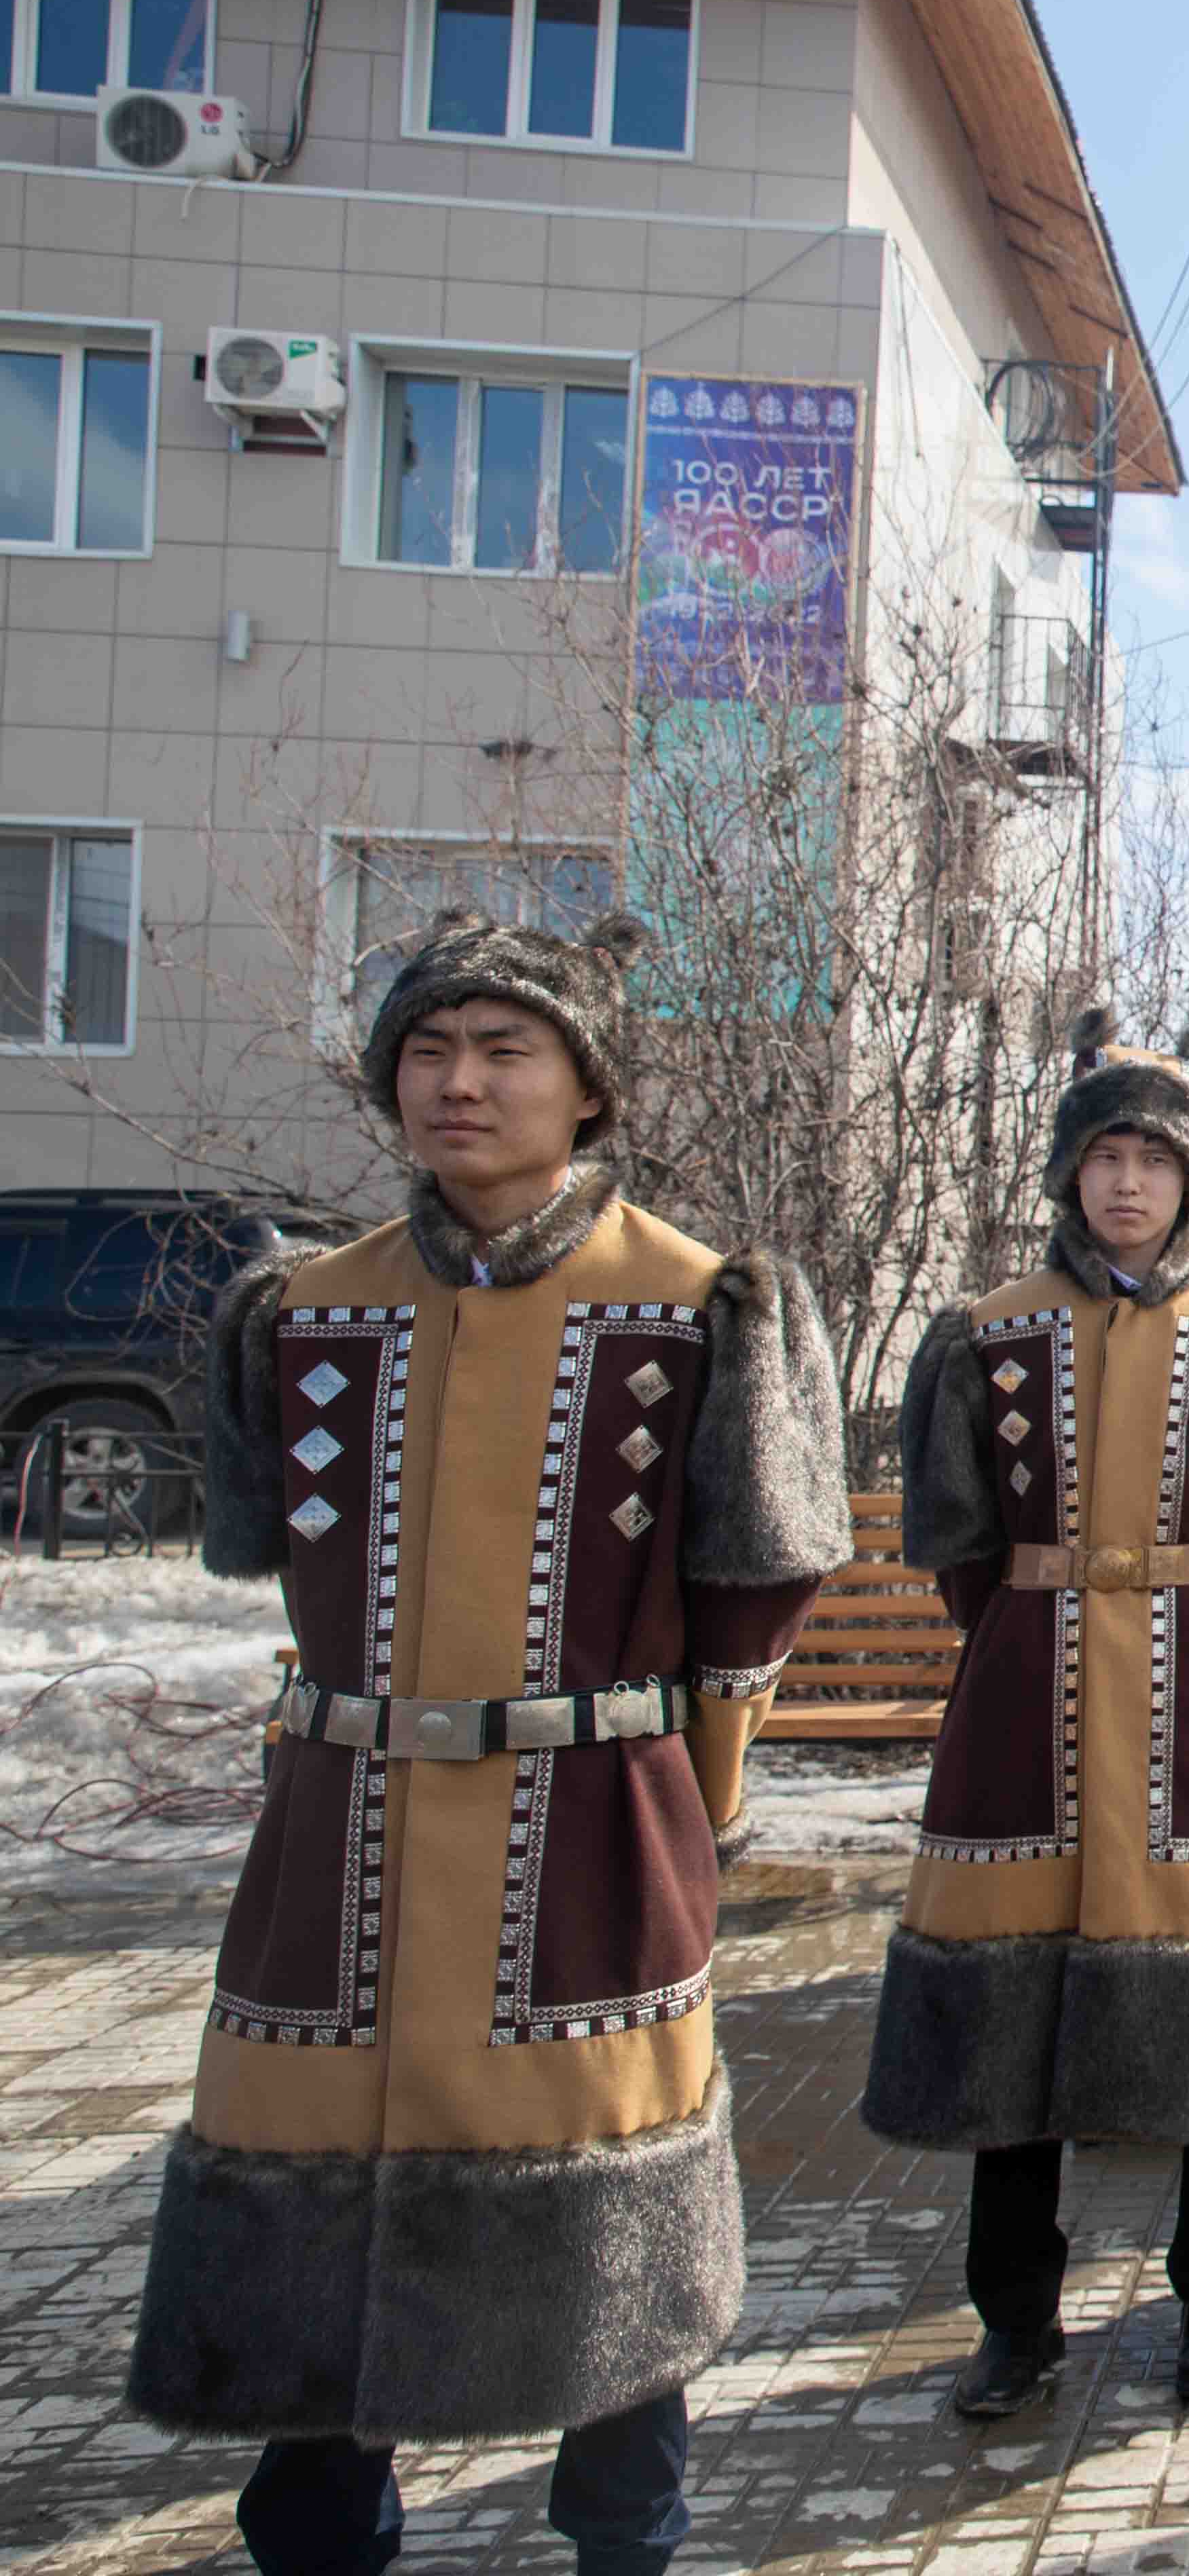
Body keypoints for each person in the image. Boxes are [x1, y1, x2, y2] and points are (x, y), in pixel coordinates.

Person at [130, 908, 852, 2575]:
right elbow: (273, 1567)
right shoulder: (304, 1311)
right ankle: (318, 2531)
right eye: (428, 1051)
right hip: (343, 1837)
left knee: (611, 2205)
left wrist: (697, 1812)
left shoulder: (700, 1310)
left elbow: (753, 1598)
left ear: (586, 1087)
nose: (459, 1083)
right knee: (307, 2185)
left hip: (594, 1823)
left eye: (504, 1049)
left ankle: (625, 2542)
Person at [859, 1011, 1189, 2419]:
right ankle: (1015, 2318)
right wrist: (1038, 1627)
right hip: (1025, 1705)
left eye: (1152, 1157)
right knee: (1009, 2023)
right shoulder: (987, 1332)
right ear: (1068, 1174)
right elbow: (959, 1546)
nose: (1126, 1183)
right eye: (1103, 1156)